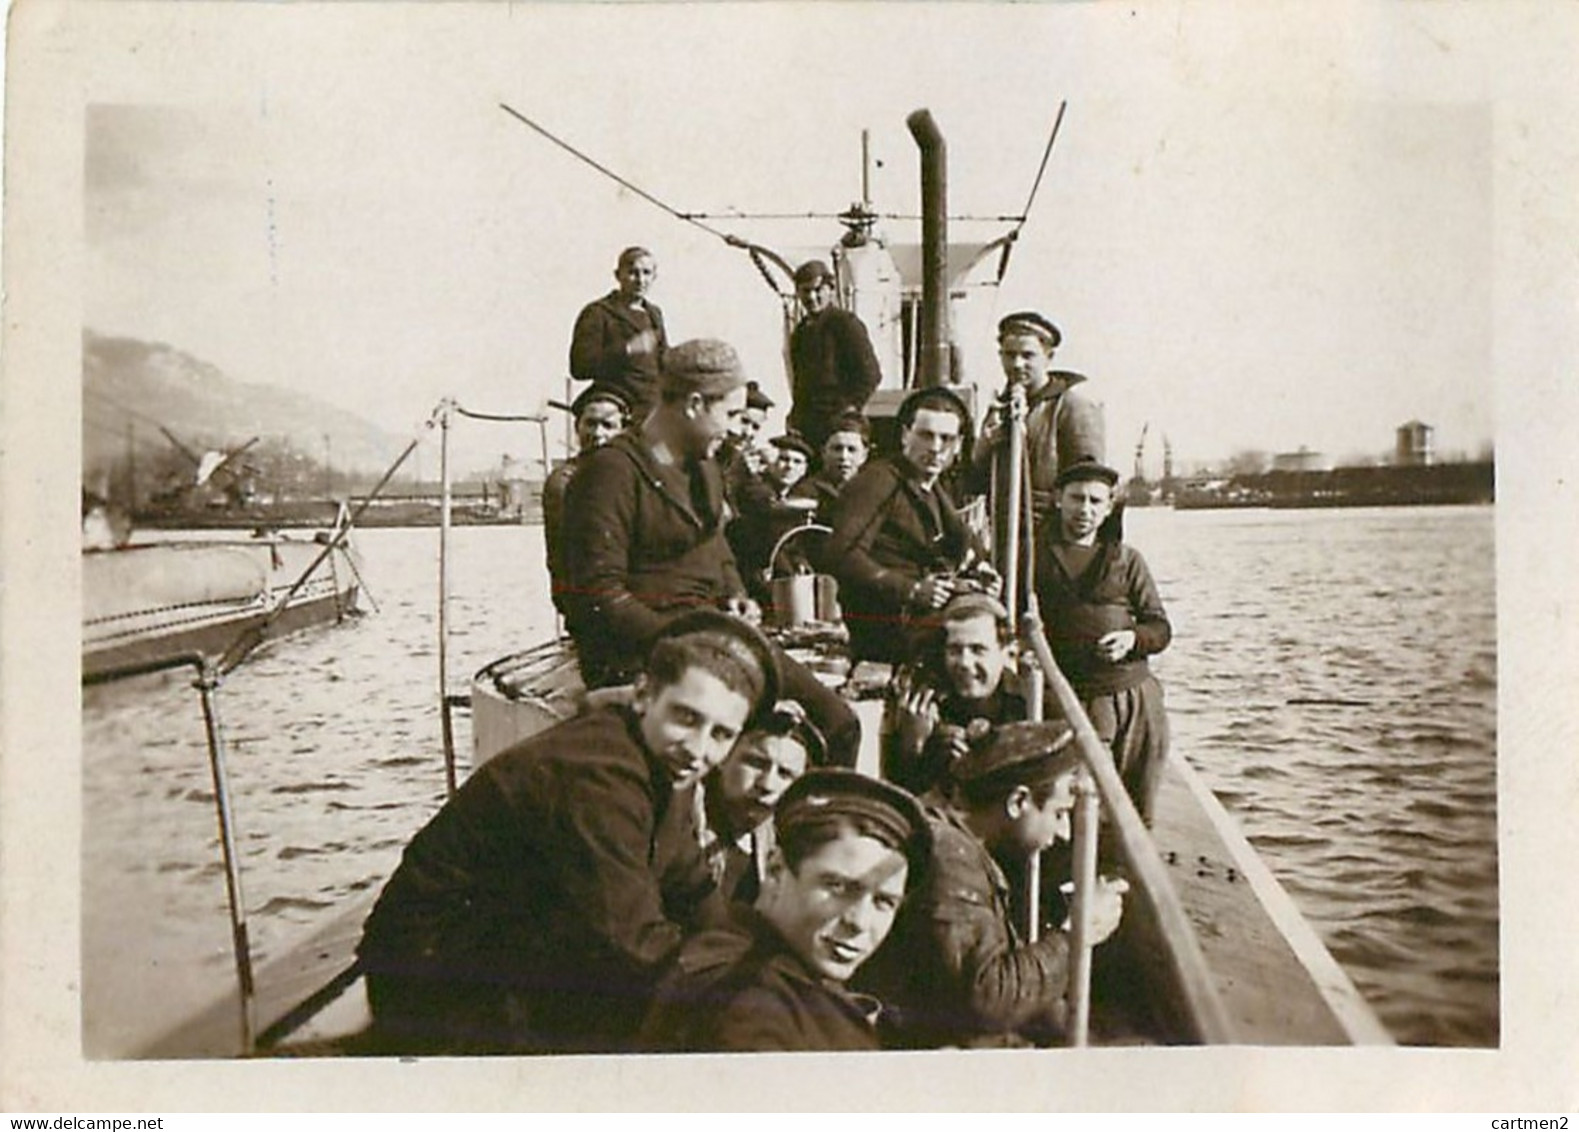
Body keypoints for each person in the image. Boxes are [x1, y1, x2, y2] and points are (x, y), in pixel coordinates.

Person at [354, 610, 779, 1055]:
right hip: (432, 983)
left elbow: (689, 884)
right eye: (686, 718)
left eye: (721, 734)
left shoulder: (659, 758)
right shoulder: (596, 774)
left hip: (506, 947)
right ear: (643, 696)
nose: (699, 749)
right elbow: (633, 948)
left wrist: (754, 962)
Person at [563, 337, 862, 767]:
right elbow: (598, 597)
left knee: (837, 724)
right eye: (732, 414)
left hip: (716, 639)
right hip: (642, 655)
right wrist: (690, 643)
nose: (737, 428)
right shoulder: (611, 473)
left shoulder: (706, 468)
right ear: (694, 404)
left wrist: (735, 590)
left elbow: (716, 545)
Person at [857, 720, 1126, 1049]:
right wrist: (1078, 932)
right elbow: (987, 999)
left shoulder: (948, 832)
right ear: (1018, 802)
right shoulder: (949, 861)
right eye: (1059, 813)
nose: (1065, 832)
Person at [639, 769, 931, 1052]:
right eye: (838, 886)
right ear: (776, 870)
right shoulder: (748, 1003)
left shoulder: (783, 970)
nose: (859, 922)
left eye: (884, 902)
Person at [1034, 459, 1172, 824]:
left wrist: (1133, 638)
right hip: (1068, 695)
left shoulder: (1127, 561)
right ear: (1058, 499)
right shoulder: (1032, 557)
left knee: (1137, 801)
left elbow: (1160, 627)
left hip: (1131, 696)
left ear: (1108, 507)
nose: (1085, 510)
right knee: (1081, 801)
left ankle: (1124, 875)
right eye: (1077, 498)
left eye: (1096, 502)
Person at [823, 386, 997, 664]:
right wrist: (910, 589)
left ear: (958, 443)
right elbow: (841, 554)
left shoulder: (933, 487)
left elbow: (964, 544)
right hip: (885, 628)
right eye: (926, 435)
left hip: (920, 622)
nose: (936, 447)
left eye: (946, 438)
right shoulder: (878, 480)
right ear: (906, 435)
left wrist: (982, 570)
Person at [882, 592, 1028, 797]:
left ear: (1007, 653)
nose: (964, 663)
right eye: (954, 650)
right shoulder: (922, 701)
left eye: (978, 650)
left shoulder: (1030, 701)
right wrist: (912, 746)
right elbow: (897, 793)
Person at [969, 311, 1106, 523]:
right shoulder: (998, 410)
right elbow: (974, 483)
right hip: (1002, 536)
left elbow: (1090, 487)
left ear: (1048, 357)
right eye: (1009, 354)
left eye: (1027, 355)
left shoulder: (1074, 408)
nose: (1017, 364)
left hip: (1052, 537)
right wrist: (984, 447)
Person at [694, 700, 819, 904]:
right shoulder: (682, 818)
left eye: (785, 774)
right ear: (723, 758)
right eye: (755, 763)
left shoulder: (782, 845)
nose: (767, 784)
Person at [543, 383, 630, 617]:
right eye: (590, 424)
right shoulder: (563, 482)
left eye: (608, 426)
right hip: (587, 603)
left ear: (623, 431)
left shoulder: (631, 476)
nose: (598, 434)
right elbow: (565, 560)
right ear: (577, 428)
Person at [786, 259, 883, 451]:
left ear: (830, 289)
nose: (812, 297)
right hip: (809, 425)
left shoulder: (845, 324)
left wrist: (848, 411)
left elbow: (871, 375)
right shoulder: (801, 332)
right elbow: (800, 383)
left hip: (838, 424)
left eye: (817, 290)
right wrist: (794, 417)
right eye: (805, 291)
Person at [569, 246, 669, 419]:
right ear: (618, 275)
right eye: (633, 272)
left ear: (654, 277)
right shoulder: (598, 312)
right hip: (618, 407)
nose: (640, 280)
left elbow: (663, 361)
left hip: (653, 410)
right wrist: (627, 349)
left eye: (646, 273)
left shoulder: (654, 313)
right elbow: (580, 367)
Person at [727, 431, 819, 597]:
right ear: (770, 463)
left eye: (797, 462)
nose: (789, 466)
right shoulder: (755, 488)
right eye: (783, 459)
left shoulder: (804, 492)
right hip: (751, 569)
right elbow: (768, 508)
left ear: (804, 469)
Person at [791, 409, 870, 514]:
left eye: (851, 450)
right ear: (823, 452)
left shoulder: (873, 490)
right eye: (837, 449)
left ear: (864, 455)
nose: (843, 456)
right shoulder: (806, 491)